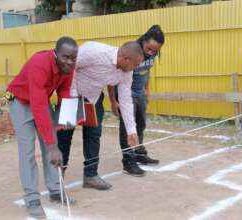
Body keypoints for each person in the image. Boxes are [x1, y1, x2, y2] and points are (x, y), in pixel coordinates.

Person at [57, 41, 144, 190]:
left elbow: (125, 99)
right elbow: (70, 68)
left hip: (94, 99)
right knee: (64, 136)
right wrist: (71, 100)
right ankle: (57, 176)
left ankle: (90, 176)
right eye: (135, 65)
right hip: (71, 94)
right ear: (125, 59)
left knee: (93, 135)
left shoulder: (127, 72)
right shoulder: (93, 51)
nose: (135, 69)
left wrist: (131, 130)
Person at [7, 37, 78, 218]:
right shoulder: (40, 64)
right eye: (66, 57)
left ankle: (55, 191)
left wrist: (65, 121)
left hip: (40, 99)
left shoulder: (69, 67)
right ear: (55, 54)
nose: (70, 62)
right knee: (28, 149)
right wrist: (52, 145)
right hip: (20, 101)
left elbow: (64, 91)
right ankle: (32, 199)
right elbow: (38, 106)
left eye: (73, 58)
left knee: (51, 145)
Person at [108, 25, 165, 176]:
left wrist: (147, 89)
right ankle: (128, 161)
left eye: (155, 51)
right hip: (126, 94)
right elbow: (112, 78)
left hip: (139, 93)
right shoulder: (132, 52)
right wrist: (113, 101)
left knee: (141, 124)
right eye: (149, 49)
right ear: (143, 40)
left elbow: (147, 72)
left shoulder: (151, 55)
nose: (152, 53)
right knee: (127, 127)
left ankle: (139, 153)